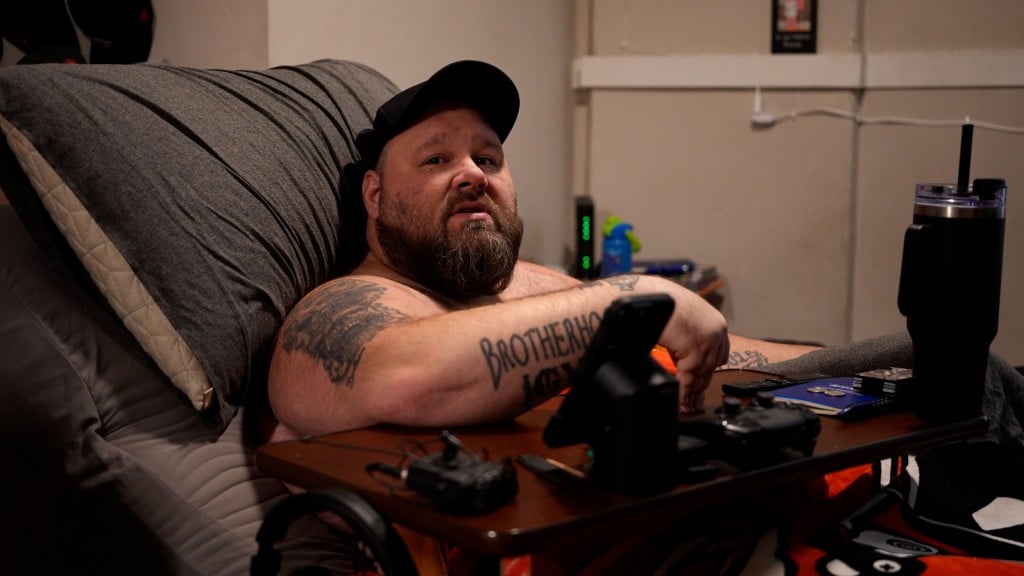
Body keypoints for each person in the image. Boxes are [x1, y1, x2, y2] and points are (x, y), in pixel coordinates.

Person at [266, 60, 819, 442]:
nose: (471, 175)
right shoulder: (341, 308)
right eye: (436, 160)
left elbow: (718, 348)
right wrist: (638, 296)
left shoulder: (532, 287)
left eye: (488, 159)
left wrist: (866, 364)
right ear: (376, 195)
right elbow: (399, 379)